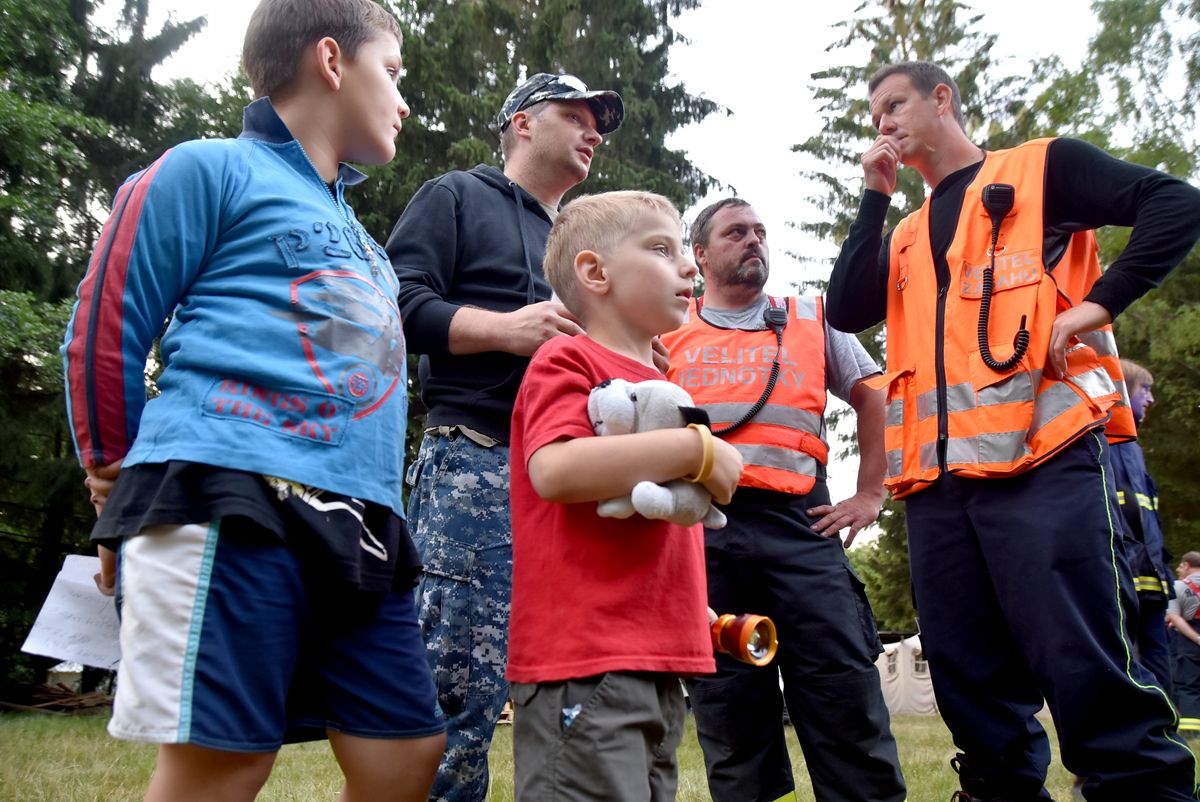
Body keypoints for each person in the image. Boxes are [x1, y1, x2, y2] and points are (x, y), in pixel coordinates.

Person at [61, 2, 446, 800]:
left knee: (406, 753)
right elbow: (107, 323)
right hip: (225, 497)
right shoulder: (208, 168)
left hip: (365, 525)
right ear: (332, 62)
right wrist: (110, 473)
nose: (405, 101)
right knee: (227, 763)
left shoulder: (368, 247)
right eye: (395, 72)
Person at [827, 59, 1200, 801]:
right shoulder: (904, 232)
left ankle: (1140, 787)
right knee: (971, 678)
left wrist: (1098, 305)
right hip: (936, 485)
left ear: (943, 99)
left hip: (1045, 461)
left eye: (895, 105)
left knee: (1083, 659)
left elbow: (1175, 203)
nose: (884, 125)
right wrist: (873, 198)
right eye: (874, 118)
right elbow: (846, 306)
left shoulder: (1040, 170)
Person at [385, 72, 624, 801]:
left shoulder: (585, 239)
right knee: (454, 692)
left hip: (576, 482)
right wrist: (505, 330)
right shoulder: (457, 195)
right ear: (521, 121)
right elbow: (391, 301)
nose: (592, 131)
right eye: (574, 115)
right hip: (477, 462)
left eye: (599, 123)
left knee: (571, 694)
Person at [660, 198, 907, 802]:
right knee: (731, 716)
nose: (753, 241)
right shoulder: (666, 326)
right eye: (736, 233)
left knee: (845, 697)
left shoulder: (808, 317)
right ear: (699, 253)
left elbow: (876, 395)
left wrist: (871, 493)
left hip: (804, 531)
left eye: (760, 232)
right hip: (705, 540)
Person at [506, 190, 742, 801]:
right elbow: (555, 470)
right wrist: (698, 451)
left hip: (662, 662)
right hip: (585, 661)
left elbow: (672, 518)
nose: (689, 267)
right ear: (595, 272)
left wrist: (688, 608)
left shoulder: (664, 386)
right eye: (661, 249)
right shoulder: (567, 358)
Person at [1109, 359, 1173, 688]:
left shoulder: (1134, 448)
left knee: (1156, 651)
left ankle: (1167, 724)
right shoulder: (1105, 442)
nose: (1150, 399)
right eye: (1144, 390)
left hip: (1150, 575)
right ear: (1122, 390)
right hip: (1124, 573)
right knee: (1125, 652)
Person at [1169, 552, 1200, 737]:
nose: (1179, 570)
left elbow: (1173, 616)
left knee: (1189, 686)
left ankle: (1191, 732)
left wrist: (1196, 639)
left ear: (1187, 565)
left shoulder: (1179, 586)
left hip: (1188, 642)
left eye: (1180, 566)